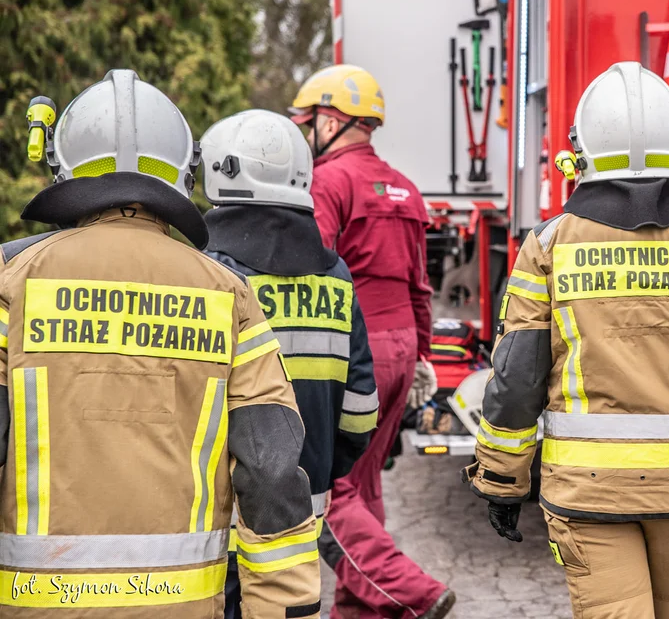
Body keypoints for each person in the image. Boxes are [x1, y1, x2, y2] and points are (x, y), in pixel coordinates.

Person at [465, 61, 669, 618]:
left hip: (589, 492)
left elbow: (518, 377)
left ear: (582, 150)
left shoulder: (548, 245)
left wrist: (502, 481)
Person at [0, 70, 321, 617]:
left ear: (62, 165)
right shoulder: (229, 295)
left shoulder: (12, 281)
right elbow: (271, 473)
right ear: (184, 173)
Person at [199, 109, 380, 619]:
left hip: (217, 521)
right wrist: (316, 472)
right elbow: (362, 411)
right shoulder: (337, 276)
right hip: (301, 518)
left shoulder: (208, 274)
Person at [290, 65, 453, 619]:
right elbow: (420, 284)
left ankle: (413, 591)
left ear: (331, 119)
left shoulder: (329, 182)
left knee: (326, 485)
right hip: (403, 345)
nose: (303, 131)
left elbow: (315, 268)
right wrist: (422, 355)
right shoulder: (403, 187)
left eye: (307, 120)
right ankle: (359, 613)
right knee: (362, 487)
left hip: (356, 351)